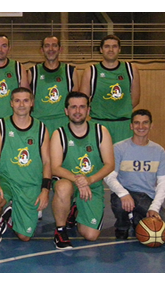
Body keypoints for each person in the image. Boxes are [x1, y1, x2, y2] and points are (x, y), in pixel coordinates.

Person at [0, 87, 50, 245]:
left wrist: (45, 190)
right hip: (7, 180)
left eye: (26, 100)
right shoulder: (1, 126)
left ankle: (11, 213)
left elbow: (47, 161)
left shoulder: (41, 128)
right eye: (17, 100)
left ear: (32, 103)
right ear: (11, 103)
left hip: (29, 184)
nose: (21, 104)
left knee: (24, 237)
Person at [50, 92, 114, 248]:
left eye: (82, 107)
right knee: (63, 188)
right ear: (66, 111)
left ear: (88, 110)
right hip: (68, 181)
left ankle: (75, 210)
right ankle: (60, 230)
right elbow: (55, 168)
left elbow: (110, 164)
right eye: (73, 107)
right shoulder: (59, 134)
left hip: (91, 184)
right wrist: (79, 180)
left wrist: (89, 180)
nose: (77, 111)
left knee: (90, 235)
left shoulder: (101, 132)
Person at [104, 109, 165, 243]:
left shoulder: (158, 150)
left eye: (145, 123)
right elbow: (109, 176)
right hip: (126, 195)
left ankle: (137, 218)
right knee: (120, 203)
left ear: (151, 125)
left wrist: (154, 207)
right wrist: (123, 193)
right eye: (137, 123)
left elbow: (163, 182)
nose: (141, 127)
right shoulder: (119, 148)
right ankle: (122, 225)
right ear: (131, 126)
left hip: (146, 198)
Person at [79, 34, 140, 144]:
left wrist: (118, 111)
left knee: (123, 160)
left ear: (119, 49)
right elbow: (82, 101)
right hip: (99, 123)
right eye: (107, 46)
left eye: (114, 46)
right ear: (101, 50)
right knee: (99, 160)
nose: (111, 49)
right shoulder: (91, 71)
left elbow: (135, 99)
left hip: (123, 125)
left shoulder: (131, 69)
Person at [28, 35, 79, 135]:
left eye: (54, 45)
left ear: (60, 49)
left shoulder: (70, 71)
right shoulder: (32, 72)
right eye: (47, 46)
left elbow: (76, 102)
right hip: (39, 123)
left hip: (64, 123)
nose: (51, 49)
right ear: (42, 50)